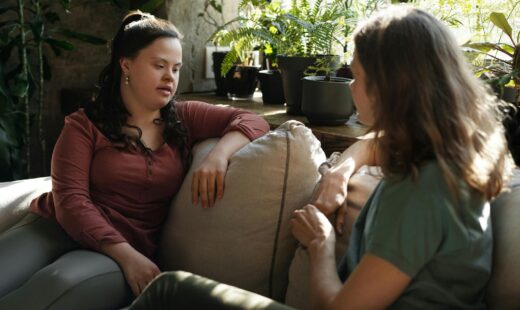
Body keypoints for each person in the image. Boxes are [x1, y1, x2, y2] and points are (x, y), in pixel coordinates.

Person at [126, 5, 514, 310]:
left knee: (169, 290)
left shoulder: (420, 195)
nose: (351, 88)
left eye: (356, 77)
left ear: (388, 87)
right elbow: (378, 143)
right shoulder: (447, 155)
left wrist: (321, 243)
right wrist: (341, 169)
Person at [0, 11, 269, 309]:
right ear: (126, 64)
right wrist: (127, 255)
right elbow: (71, 202)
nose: (170, 77)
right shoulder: (84, 125)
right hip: (51, 228)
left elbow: (252, 120)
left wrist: (219, 155)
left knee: (56, 284)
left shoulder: (185, 116)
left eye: (176, 68)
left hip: (116, 253)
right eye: (159, 66)